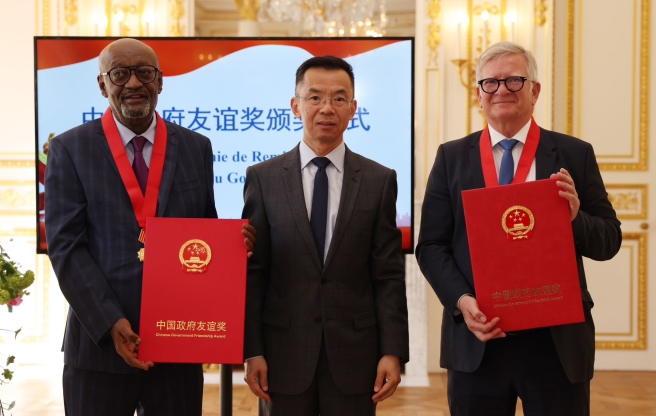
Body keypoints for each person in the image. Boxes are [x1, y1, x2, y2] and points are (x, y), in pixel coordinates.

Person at [45, 38, 255, 416]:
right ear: (102, 85)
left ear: (160, 81)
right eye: (119, 74)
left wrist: (234, 247)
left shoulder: (196, 147)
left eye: (144, 72)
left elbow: (203, 234)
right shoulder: (69, 149)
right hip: (99, 347)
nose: (134, 83)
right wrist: (110, 321)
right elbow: (66, 248)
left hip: (178, 341)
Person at [416, 41, 621, 416]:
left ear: (534, 90)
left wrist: (575, 217)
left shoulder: (574, 154)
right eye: (490, 83)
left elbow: (609, 241)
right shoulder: (451, 157)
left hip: (555, 343)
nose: (501, 90)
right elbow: (431, 245)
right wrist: (462, 301)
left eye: (514, 80)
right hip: (478, 338)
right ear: (479, 94)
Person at [242, 55, 409, 416]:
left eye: (338, 98)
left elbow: (388, 275)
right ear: (296, 106)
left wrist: (392, 351)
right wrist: (252, 350)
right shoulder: (263, 179)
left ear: (353, 108)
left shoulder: (379, 180)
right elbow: (255, 272)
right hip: (282, 354)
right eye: (315, 97)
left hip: (356, 355)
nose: (327, 108)